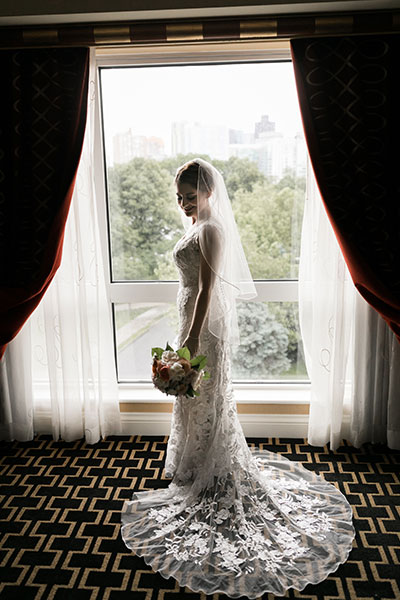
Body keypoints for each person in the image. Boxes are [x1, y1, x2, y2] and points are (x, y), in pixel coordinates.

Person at [121, 158, 355, 598]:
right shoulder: (197, 227)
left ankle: (211, 467)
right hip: (190, 315)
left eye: (191, 197)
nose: (184, 204)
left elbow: (209, 288)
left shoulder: (212, 230)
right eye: (179, 197)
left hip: (204, 326)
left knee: (205, 395)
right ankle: (191, 464)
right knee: (193, 398)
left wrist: (189, 342)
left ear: (208, 192)